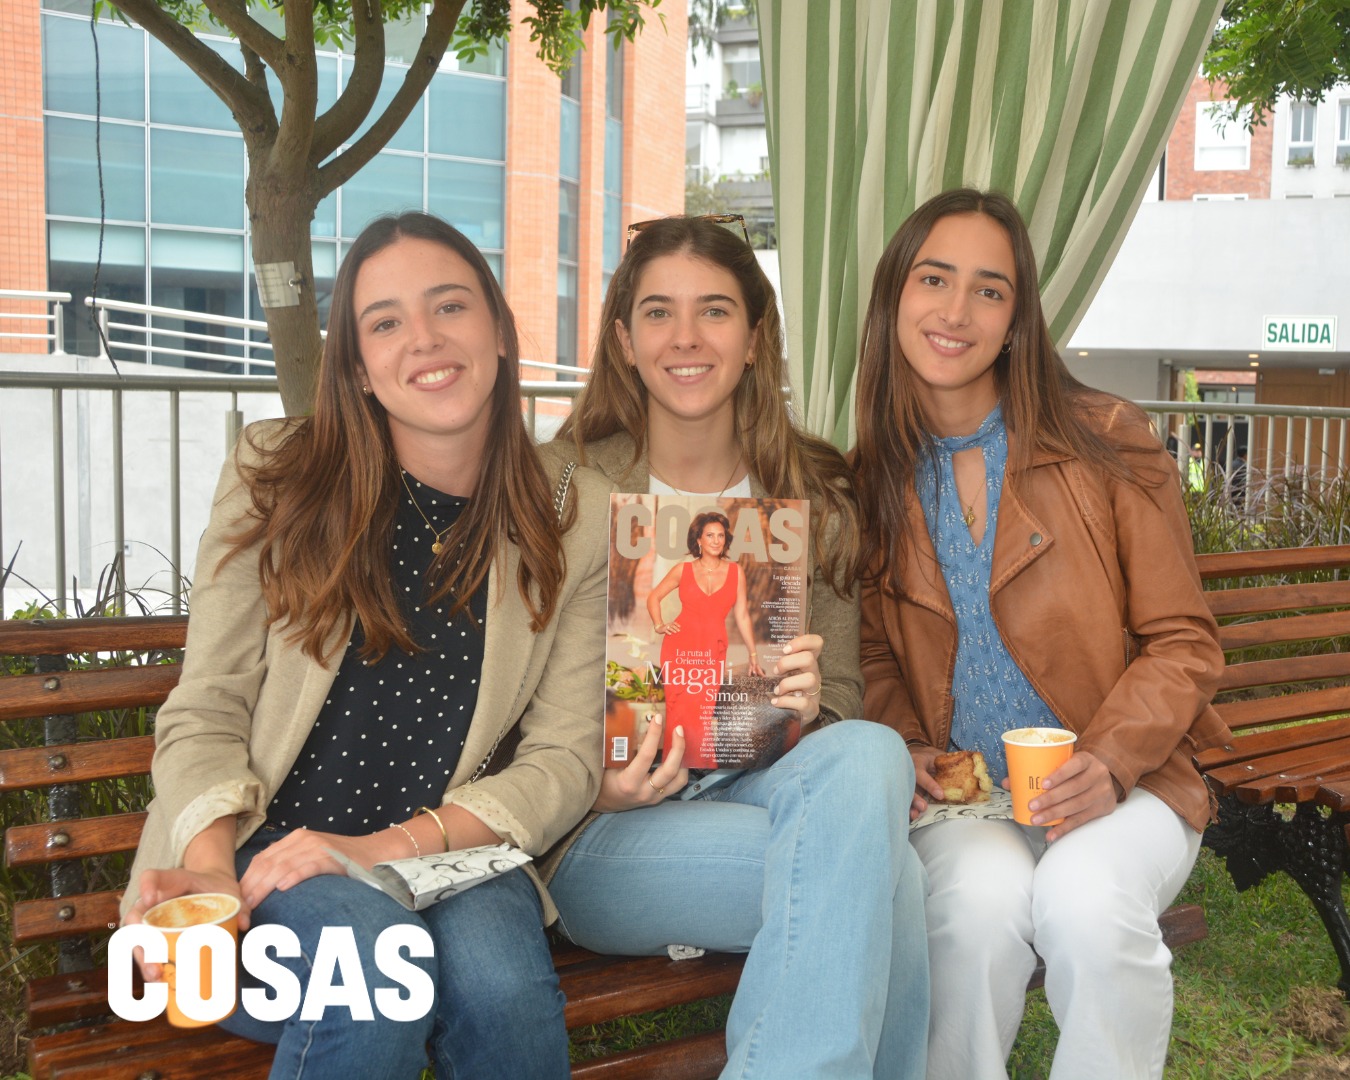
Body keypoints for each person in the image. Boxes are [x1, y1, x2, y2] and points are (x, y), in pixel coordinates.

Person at [121, 212, 611, 1080]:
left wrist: (371, 852)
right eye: (384, 322)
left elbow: (564, 761)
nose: (424, 340)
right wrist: (210, 879)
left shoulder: (574, 513)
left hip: (444, 850)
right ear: (355, 364)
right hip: (258, 853)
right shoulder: (277, 475)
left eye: (450, 306)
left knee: (505, 999)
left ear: (498, 329)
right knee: (375, 966)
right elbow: (208, 705)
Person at [538, 214, 929, 1080]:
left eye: (714, 311)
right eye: (658, 314)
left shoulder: (815, 492)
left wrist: (810, 705)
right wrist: (589, 782)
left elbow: (845, 702)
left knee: (867, 752)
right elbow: (502, 692)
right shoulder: (557, 484)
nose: (686, 338)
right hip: (603, 827)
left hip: (760, 781)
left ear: (755, 338)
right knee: (884, 879)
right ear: (624, 340)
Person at [851, 189, 1230, 1080]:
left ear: (1017, 318)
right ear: (894, 299)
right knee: (973, 914)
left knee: (1085, 898)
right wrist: (905, 741)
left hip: (1126, 785)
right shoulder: (870, 478)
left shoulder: (1103, 439)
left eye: (990, 290)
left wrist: (1109, 760)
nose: (955, 311)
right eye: (934, 279)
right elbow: (873, 653)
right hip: (968, 800)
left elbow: (1184, 641)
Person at [648, 510, 762, 762]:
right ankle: (674, 766)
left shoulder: (736, 572)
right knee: (677, 709)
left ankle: (699, 766)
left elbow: (742, 615)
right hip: (679, 648)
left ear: (726, 540)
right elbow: (653, 597)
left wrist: (753, 654)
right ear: (698, 540)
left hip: (712, 648)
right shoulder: (683, 569)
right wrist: (659, 624)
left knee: (702, 708)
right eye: (709, 535)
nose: (716, 540)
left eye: (720, 535)